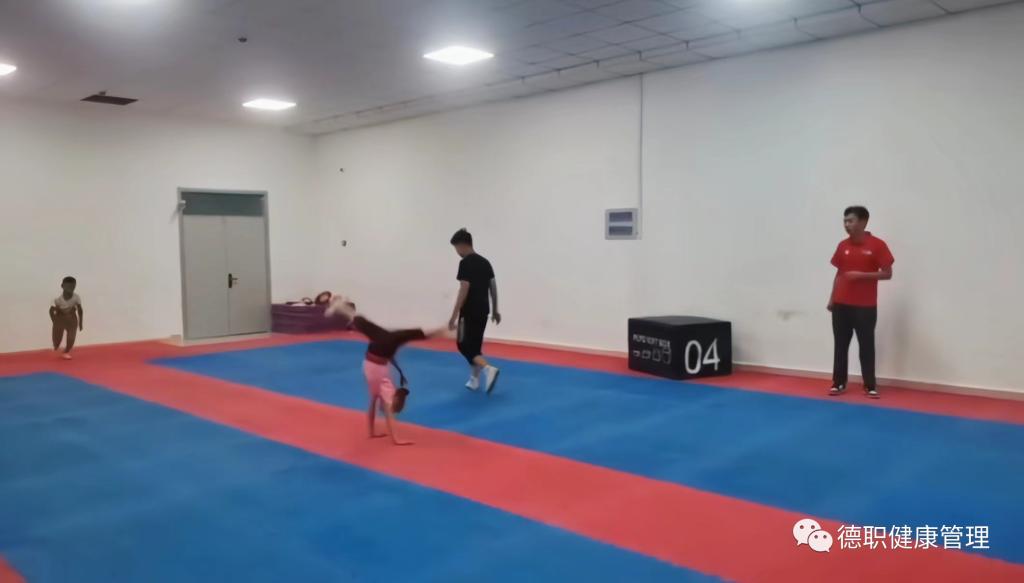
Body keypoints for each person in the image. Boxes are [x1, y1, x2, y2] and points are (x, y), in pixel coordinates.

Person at [327, 298, 446, 446]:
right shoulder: (382, 390)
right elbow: (388, 358)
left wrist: (396, 440)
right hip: (370, 363)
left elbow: (388, 413)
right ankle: (342, 308)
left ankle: (440, 331)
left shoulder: (385, 391)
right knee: (374, 328)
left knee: (400, 335)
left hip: (375, 360)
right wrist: (390, 438)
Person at [827, 206, 894, 399]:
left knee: (866, 345)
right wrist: (832, 298)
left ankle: (870, 385)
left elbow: (888, 274)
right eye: (845, 221)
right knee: (840, 345)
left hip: (865, 307)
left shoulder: (878, 245)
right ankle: (838, 383)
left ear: (863, 222)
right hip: (841, 304)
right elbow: (839, 274)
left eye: (851, 220)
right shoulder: (843, 246)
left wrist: (861, 275)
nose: (847, 224)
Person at [448, 228, 501, 394]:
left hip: (469, 311)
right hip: (483, 310)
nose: (457, 252)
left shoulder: (465, 263)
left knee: (463, 345)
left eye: (456, 248)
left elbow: (464, 288)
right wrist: (495, 310)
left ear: (462, 245)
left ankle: (488, 369)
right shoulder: (485, 262)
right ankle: (474, 380)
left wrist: (454, 315)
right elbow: (493, 287)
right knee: (475, 346)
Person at [49, 276, 83, 360]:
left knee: (71, 338)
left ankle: (66, 351)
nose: (71, 289)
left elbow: (80, 310)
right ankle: (56, 345)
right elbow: (51, 311)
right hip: (60, 319)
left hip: (72, 319)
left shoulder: (76, 297)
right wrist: (54, 321)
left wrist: (80, 323)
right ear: (62, 286)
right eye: (68, 286)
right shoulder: (57, 298)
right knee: (57, 339)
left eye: (73, 286)